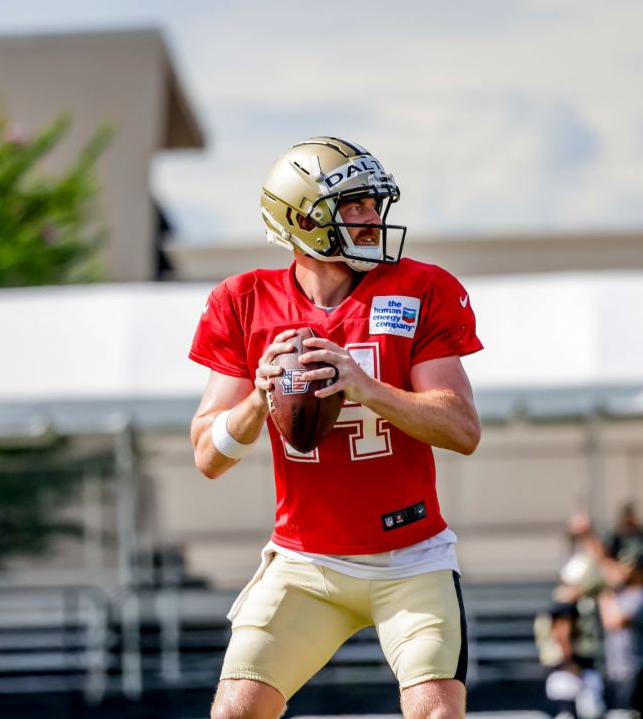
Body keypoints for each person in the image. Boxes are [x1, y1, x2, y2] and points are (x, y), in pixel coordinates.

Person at [189, 136, 482, 719]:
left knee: (437, 713)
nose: (372, 219)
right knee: (235, 714)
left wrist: (365, 386)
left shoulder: (420, 287)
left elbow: (461, 428)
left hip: (411, 557)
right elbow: (208, 455)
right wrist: (258, 399)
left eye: (375, 204)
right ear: (301, 219)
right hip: (305, 563)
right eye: (353, 206)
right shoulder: (243, 301)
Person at [537, 513, 607, 718]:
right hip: (568, 671)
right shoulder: (566, 604)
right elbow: (562, 635)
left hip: (577, 668)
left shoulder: (574, 600)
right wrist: (572, 665)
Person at [599, 551, 643, 718]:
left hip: (636, 669)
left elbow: (615, 622)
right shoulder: (624, 593)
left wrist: (606, 594)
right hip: (618, 668)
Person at [606, 503, 643, 585]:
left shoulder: (642, 535)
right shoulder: (617, 537)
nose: (629, 520)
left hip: (641, 576)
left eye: (631, 517)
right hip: (622, 577)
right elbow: (610, 557)